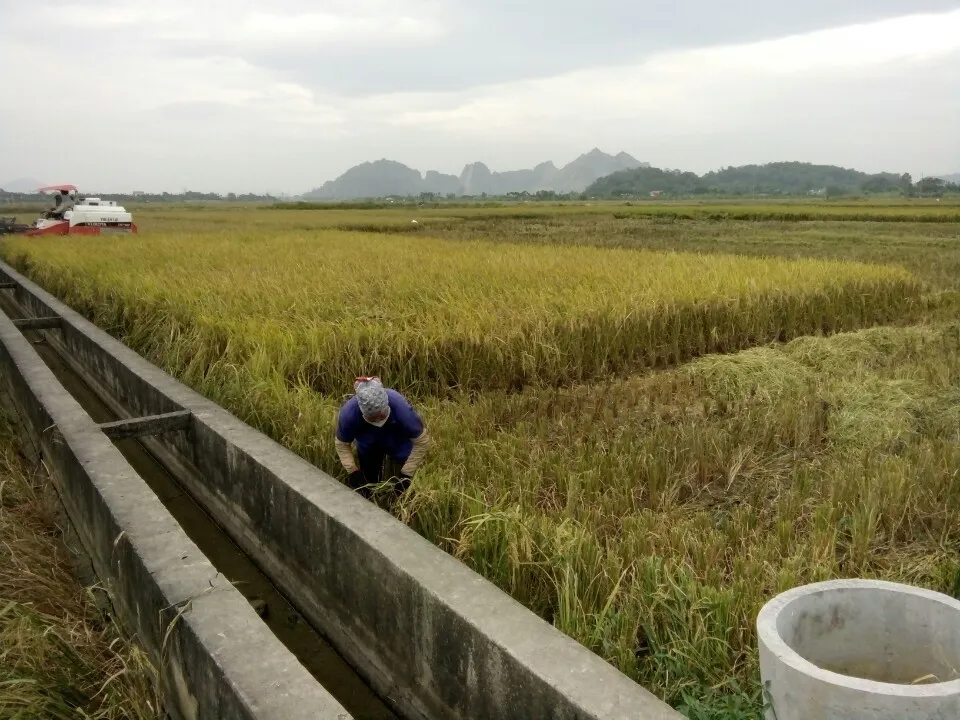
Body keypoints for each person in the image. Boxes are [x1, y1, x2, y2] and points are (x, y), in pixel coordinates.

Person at [334, 376, 430, 498]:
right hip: (368, 440)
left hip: (396, 438)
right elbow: (341, 444)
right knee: (369, 474)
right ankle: (372, 494)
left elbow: (421, 441)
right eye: (373, 418)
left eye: (381, 416)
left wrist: (406, 474)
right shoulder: (349, 414)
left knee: (406, 474)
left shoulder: (401, 409)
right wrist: (353, 472)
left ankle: (399, 497)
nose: (378, 420)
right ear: (363, 411)